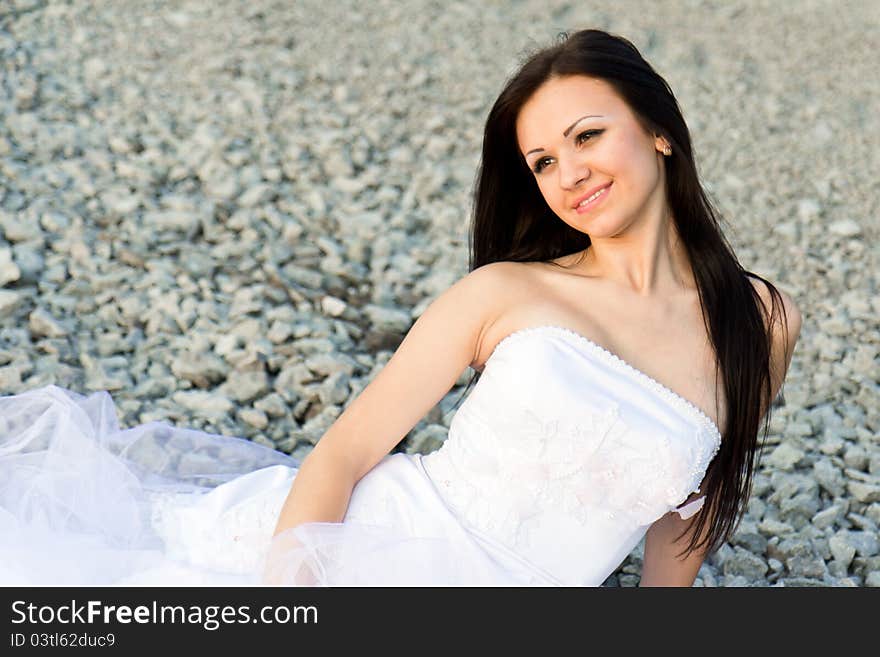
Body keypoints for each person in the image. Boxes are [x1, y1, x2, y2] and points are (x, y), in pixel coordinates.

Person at [0, 29, 801, 587]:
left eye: (589, 136)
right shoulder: (506, 293)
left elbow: (688, 514)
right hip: (357, 557)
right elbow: (343, 456)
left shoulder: (758, 320)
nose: (570, 175)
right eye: (544, 160)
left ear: (660, 130)